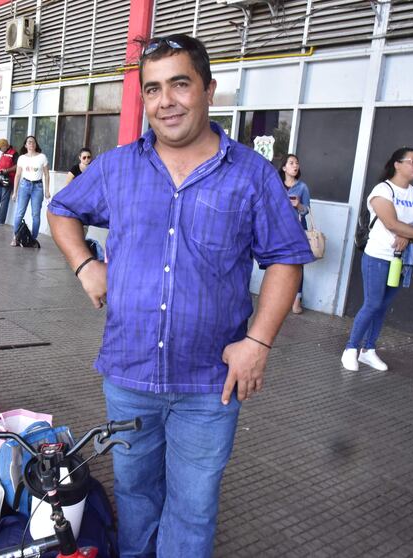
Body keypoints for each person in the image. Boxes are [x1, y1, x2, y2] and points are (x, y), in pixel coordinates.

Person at [47, 34, 313, 557]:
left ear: (209, 90)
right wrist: (84, 264)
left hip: (209, 382)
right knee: (135, 493)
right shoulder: (118, 166)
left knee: (193, 506)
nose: (165, 101)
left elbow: (286, 258)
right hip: (130, 373)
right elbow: (61, 209)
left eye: (180, 84)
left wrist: (257, 343)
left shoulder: (251, 174)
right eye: (152, 89)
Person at [341, 147, 413, 372]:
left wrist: (408, 235)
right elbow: (392, 223)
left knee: (383, 306)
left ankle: (369, 350)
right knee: (372, 303)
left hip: (404, 260)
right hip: (378, 256)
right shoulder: (383, 190)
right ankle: (351, 348)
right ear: (397, 164)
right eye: (412, 161)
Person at [279, 154, 311, 314]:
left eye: (297, 163)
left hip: (297, 229)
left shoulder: (302, 187)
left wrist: (298, 205)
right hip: (279, 229)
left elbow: (307, 211)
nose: (295, 165)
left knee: (298, 264)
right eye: (291, 163)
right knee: (279, 263)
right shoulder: (276, 184)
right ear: (284, 167)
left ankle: (297, 299)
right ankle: (279, 298)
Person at [11, 135, 50, 246]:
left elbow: (46, 174)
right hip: (24, 185)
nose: (31, 144)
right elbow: (18, 175)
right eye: (29, 142)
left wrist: (47, 190)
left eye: (33, 142)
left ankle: (33, 238)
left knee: (36, 215)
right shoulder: (22, 158)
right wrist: (15, 192)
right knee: (19, 213)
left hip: (37, 187)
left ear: (36, 144)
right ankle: (16, 237)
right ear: (25, 145)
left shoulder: (42, 157)